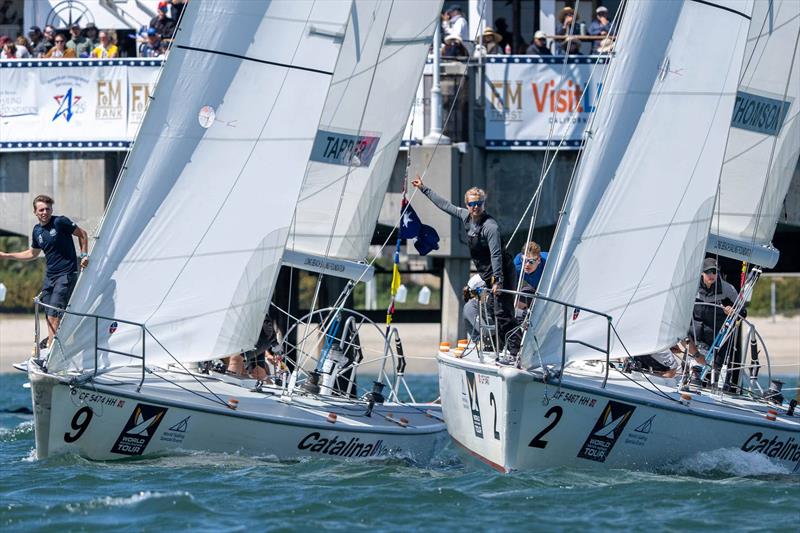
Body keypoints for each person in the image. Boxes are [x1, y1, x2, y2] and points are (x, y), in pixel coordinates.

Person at [412, 177, 519, 359]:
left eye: (479, 203)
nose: (475, 207)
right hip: (487, 274)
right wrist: (423, 188)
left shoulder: (490, 227)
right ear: (467, 205)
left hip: (501, 273)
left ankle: (517, 352)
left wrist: (498, 280)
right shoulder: (466, 216)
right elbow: (445, 205)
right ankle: (501, 351)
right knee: (492, 310)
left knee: (503, 313)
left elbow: (496, 255)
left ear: (484, 204)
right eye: (472, 204)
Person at [0, 195, 89, 350]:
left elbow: (83, 234)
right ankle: (53, 345)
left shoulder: (60, 222)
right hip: (50, 277)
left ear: (51, 210)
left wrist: (84, 255)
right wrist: (6, 255)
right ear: (35, 212)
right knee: (49, 314)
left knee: (54, 313)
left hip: (66, 274)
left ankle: (50, 351)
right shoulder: (37, 231)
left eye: (47, 209)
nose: (45, 212)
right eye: (41, 209)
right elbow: (32, 254)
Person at [688, 257, 745, 372]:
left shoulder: (726, 288)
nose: (711, 275)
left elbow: (743, 311)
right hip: (695, 333)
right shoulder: (691, 287)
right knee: (691, 365)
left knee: (717, 368)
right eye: (708, 272)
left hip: (716, 334)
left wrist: (733, 310)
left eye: (714, 272)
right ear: (701, 273)